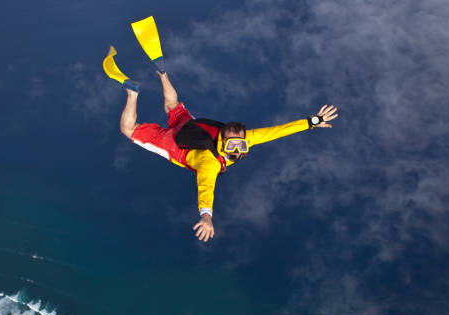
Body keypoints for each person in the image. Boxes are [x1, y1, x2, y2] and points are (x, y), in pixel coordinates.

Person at [108, 54, 338, 243]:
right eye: (234, 145)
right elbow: (206, 189)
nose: (238, 149)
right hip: (176, 144)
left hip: (191, 127)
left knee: (173, 106)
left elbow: (278, 130)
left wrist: (313, 121)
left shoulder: (249, 138)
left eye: (240, 143)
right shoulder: (209, 163)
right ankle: (133, 93)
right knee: (128, 130)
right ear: (224, 142)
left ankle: (161, 71)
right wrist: (206, 217)